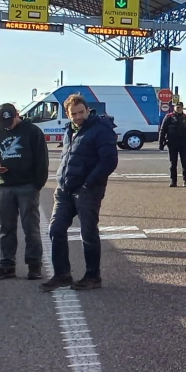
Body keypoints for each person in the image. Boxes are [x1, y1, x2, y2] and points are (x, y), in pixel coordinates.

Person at [41, 94, 119, 292]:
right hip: (65, 189)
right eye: (73, 114)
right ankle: (62, 274)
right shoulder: (70, 130)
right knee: (56, 230)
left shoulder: (100, 129)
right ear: (67, 114)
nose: (78, 117)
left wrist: (88, 183)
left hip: (88, 190)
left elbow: (109, 161)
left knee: (88, 232)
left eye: (81, 112)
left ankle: (93, 276)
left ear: (87, 110)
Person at [0, 102, 50, 281]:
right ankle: (7, 265)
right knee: (6, 228)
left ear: (17, 115)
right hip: (2, 186)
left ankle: (34, 265)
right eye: (3, 124)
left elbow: (42, 160)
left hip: (27, 186)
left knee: (31, 228)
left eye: (10, 122)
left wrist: (37, 184)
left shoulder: (32, 131)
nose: (7, 126)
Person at [160, 101, 186, 188]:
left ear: (182, 108)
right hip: (172, 143)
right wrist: (161, 143)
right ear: (174, 108)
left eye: (180, 107)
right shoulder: (169, 117)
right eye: (177, 107)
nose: (179, 109)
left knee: (185, 163)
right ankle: (173, 181)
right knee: (173, 163)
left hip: (184, 143)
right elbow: (163, 130)